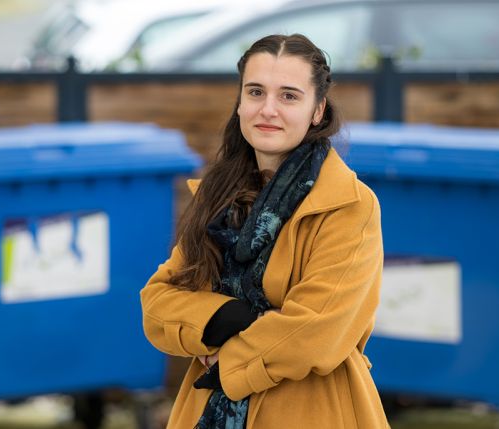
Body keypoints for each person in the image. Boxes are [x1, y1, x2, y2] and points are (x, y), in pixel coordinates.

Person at [140, 33, 389, 428]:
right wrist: (224, 317)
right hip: (206, 410)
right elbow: (158, 303)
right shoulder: (216, 199)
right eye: (255, 92)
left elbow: (317, 330)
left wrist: (229, 360)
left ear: (317, 111)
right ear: (240, 103)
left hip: (313, 410)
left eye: (289, 96)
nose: (267, 109)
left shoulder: (349, 205)